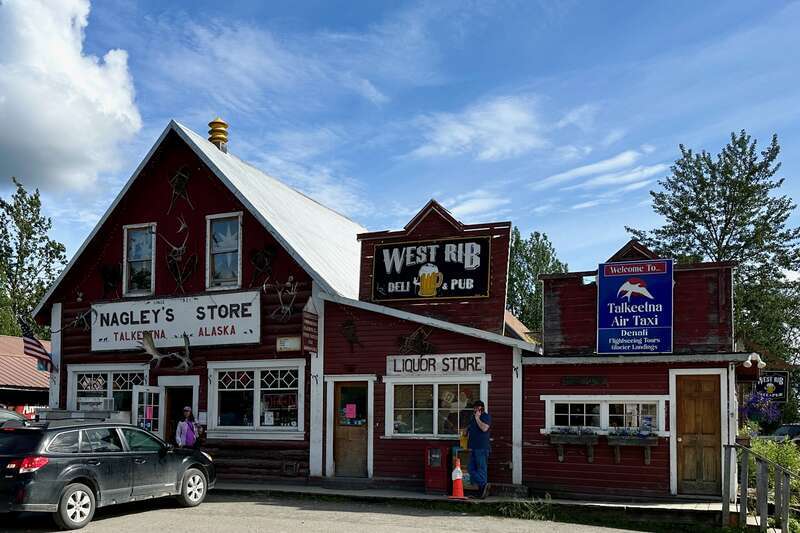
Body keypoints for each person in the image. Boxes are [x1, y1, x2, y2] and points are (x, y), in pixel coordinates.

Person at [465, 399, 491, 499]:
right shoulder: (473, 418)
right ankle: (483, 485)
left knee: (481, 470)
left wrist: (477, 418)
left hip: (482, 447)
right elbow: (472, 429)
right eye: (474, 408)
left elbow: (484, 428)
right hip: (473, 447)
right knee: (470, 469)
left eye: (476, 408)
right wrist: (467, 430)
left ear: (481, 408)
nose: (474, 410)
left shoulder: (485, 416)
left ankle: (481, 491)